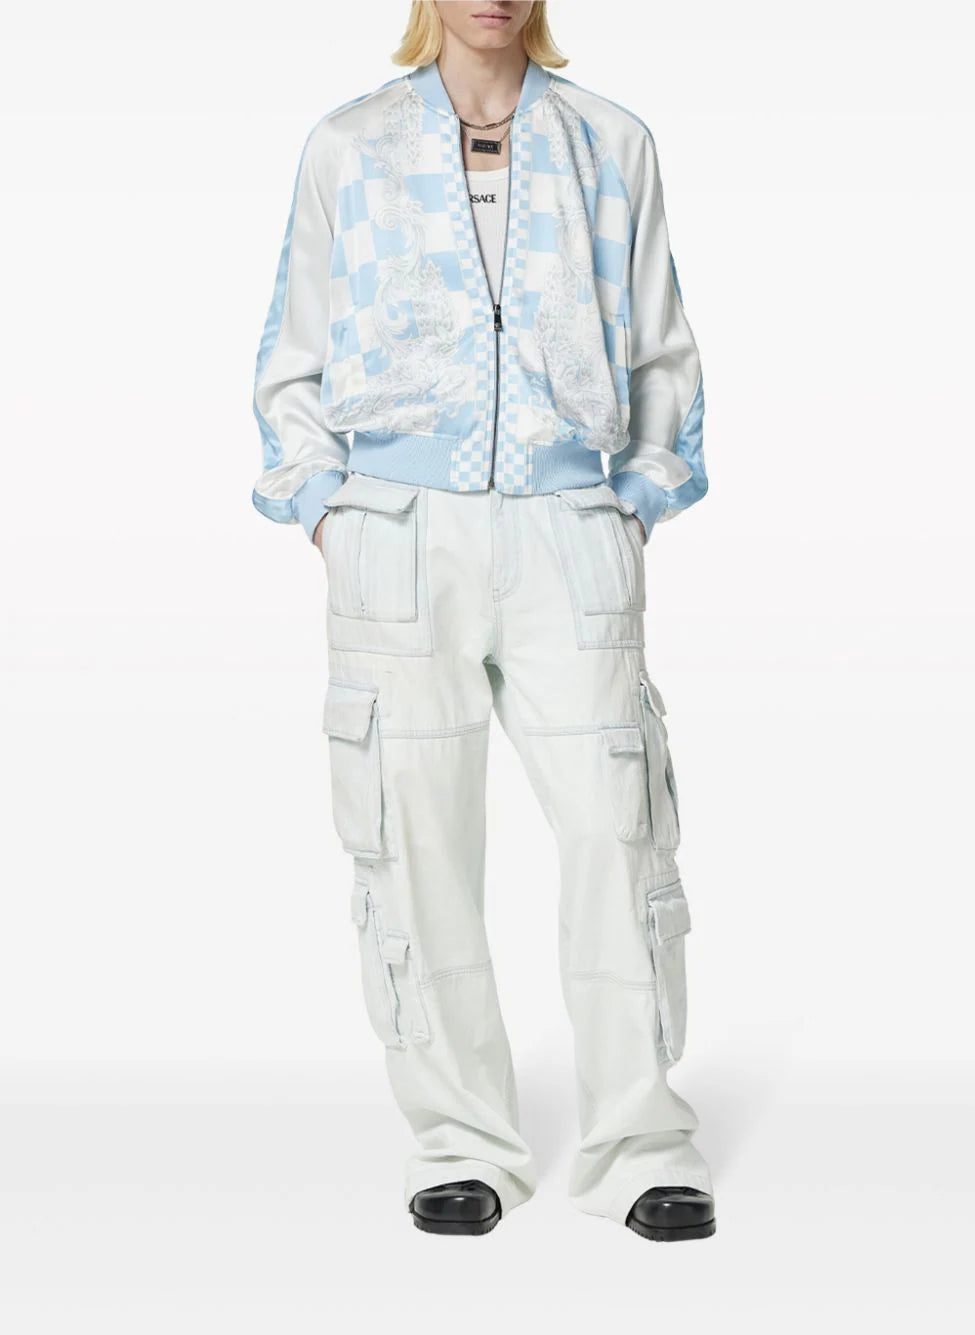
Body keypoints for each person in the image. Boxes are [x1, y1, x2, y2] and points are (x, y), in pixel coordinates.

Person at [251, 0, 714, 1242]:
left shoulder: (612, 143)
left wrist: (631, 503)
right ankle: (461, 1143)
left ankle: (638, 1143)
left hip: (570, 526)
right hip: (400, 536)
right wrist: (328, 511)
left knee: (618, 829)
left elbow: (664, 353)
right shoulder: (348, 146)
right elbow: (291, 359)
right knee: (412, 838)